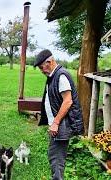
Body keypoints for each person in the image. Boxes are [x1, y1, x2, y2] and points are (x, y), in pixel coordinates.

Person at [34, 49, 84, 180]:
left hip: (62, 126)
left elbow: (68, 101)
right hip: (57, 126)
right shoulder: (53, 76)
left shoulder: (61, 76)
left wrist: (55, 123)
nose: (41, 70)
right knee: (54, 156)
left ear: (49, 62)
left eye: (41, 67)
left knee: (56, 159)